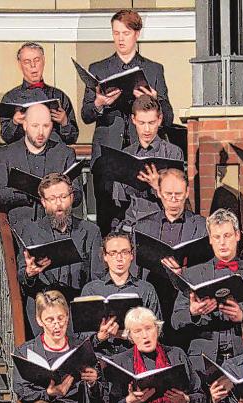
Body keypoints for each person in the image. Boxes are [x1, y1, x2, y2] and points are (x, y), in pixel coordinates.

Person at [81, 9, 173, 235]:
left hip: (141, 153)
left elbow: (168, 118)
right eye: (116, 33)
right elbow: (86, 115)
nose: (120, 39)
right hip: (107, 155)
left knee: (144, 214)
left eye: (126, 33)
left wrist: (155, 99)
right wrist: (99, 103)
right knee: (107, 218)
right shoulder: (98, 69)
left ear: (137, 34)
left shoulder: (153, 69)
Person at [13, 290, 115, 403]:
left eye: (61, 318)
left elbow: (103, 396)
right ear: (39, 320)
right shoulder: (26, 351)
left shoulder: (81, 348)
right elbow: (21, 390)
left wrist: (93, 383)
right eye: (50, 319)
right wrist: (49, 393)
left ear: (67, 317)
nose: (57, 325)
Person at [170, 209, 243, 365]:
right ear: (210, 239)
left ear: (237, 235)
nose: (222, 243)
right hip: (203, 361)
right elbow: (175, 320)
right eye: (217, 237)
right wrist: (193, 313)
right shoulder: (193, 275)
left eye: (227, 235)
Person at [111, 306, 203, 403]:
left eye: (148, 328)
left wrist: (185, 400)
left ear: (157, 329)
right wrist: (129, 401)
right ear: (130, 336)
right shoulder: (121, 361)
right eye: (137, 331)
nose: (145, 335)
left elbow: (200, 397)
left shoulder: (176, 355)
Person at [16, 173, 103, 331]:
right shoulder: (31, 231)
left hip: (77, 312)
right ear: (43, 202)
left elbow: (97, 278)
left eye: (63, 197)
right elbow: (21, 275)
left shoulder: (91, 231)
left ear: (71, 198)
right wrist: (30, 273)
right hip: (43, 313)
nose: (58, 204)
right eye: (52, 199)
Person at [129, 169, 209, 337]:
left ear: (187, 192)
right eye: (168, 194)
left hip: (186, 302)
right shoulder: (143, 226)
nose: (173, 199)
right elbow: (135, 271)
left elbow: (208, 269)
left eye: (178, 194)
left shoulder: (202, 226)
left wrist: (183, 275)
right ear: (159, 192)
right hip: (153, 297)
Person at [0, 104, 82, 234]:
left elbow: (77, 195)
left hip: (56, 229)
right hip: (18, 230)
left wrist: (59, 193)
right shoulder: (7, 153)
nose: (41, 132)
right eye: (35, 126)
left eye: (46, 126)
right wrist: (26, 195)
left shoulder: (65, 153)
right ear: (25, 125)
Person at [82, 232, 163, 353]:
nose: (119, 258)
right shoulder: (91, 290)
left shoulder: (146, 289)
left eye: (124, 252)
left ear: (132, 255)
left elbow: (158, 332)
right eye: (113, 253)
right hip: (101, 355)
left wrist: (130, 335)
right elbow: (81, 336)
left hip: (135, 355)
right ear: (105, 256)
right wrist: (100, 337)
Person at [111, 95, 184, 225]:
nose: (146, 129)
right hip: (132, 223)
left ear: (159, 120)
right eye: (141, 123)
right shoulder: (126, 154)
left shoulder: (172, 153)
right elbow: (119, 200)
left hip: (163, 223)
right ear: (133, 120)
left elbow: (179, 198)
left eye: (151, 123)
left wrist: (158, 186)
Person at [0, 42, 79, 145]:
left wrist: (64, 123)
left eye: (37, 60)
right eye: (27, 62)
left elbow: (72, 139)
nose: (33, 65)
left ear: (43, 61)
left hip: (54, 152)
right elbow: (6, 138)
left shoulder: (59, 96)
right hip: (22, 153)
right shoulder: (10, 98)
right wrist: (14, 123)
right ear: (20, 64)